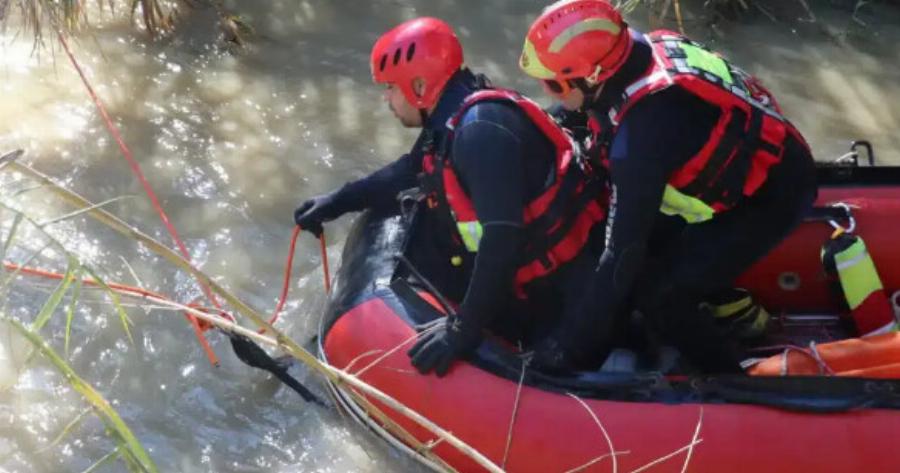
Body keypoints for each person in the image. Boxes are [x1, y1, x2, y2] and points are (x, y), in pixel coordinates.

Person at [293, 17, 607, 377]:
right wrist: (337, 201)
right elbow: (409, 170)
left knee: (546, 364)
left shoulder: (479, 133)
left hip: (570, 292)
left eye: (391, 88)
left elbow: (502, 240)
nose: (386, 98)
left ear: (421, 86)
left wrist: (462, 330)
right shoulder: (453, 114)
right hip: (539, 278)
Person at [518, 0, 818, 373]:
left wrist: (567, 348)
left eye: (553, 84)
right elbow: (579, 116)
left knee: (661, 296)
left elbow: (621, 253)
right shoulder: (638, 51)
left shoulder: (641, 138)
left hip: (771, 196)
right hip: (759, 159)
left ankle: (730, 380)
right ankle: (725, 304)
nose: (550, 93)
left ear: (593, 76)